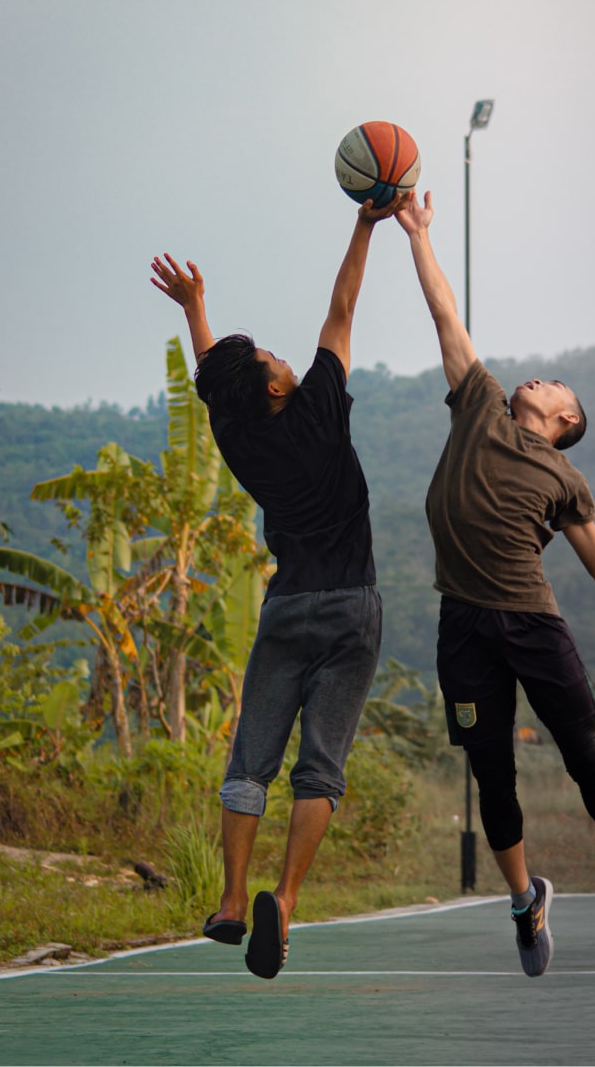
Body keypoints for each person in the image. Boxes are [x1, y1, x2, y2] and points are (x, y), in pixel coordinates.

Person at [395, 189, 595, 978]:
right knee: (492, 772)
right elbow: (445, 317)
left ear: (565, 420)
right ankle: (527, 904)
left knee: (586, 762)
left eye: (556, 385)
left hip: (531, 623)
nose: (541, 380)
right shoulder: (479, 406)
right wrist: (420, 235)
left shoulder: (567, 477)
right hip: (462, 625)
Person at [150, 192, 406, 980]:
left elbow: (214, 383)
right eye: (270, 360)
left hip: (289, 608)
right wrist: (366, 222)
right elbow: (343, 302)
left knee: (248, 764)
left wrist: (197, 311)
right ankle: (286, 903)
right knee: (319, 768)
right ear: (271, 386)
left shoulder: (238, 435)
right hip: (352, 611)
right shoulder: (320, 404)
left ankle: (231, 902)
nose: (284, 358)